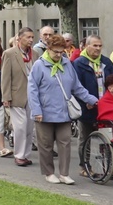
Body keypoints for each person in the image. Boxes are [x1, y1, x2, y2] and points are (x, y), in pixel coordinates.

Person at [28, 34, 98, 185]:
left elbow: (77, 87)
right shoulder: (39, 66)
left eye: (61, 52)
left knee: (65, 143)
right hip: (44, 113)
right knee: (46, 145)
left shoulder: (67, 64)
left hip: (63, 112)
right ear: (48, 49)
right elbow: (32, 90)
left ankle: (64, 173)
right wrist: (37, 110)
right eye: (56, 52)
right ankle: (49, 172)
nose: (59, 55)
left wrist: (93, 100)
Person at [73, 34, 113, 175]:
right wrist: (85, 101)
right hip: (87, 107)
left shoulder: (106, 62)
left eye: (100, 46)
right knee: (85, 138)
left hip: (105, 107)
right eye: (95, 45)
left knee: (110, 137)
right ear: (87, 46)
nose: (98, 49)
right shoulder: (79, 63)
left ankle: (112, 167)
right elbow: (75, 86)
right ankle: (85, 166)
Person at [1, 27, 36, 167]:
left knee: (29, 127)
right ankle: (19, 155)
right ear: (19, 38)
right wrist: (6, 96)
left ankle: (26, 154)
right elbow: (5, 77)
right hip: (17, 94)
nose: (31, 40)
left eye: (32, 37)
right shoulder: (9, 53)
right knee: (20, 127)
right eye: (28, 37)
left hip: (32, 95)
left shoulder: (36, 54)